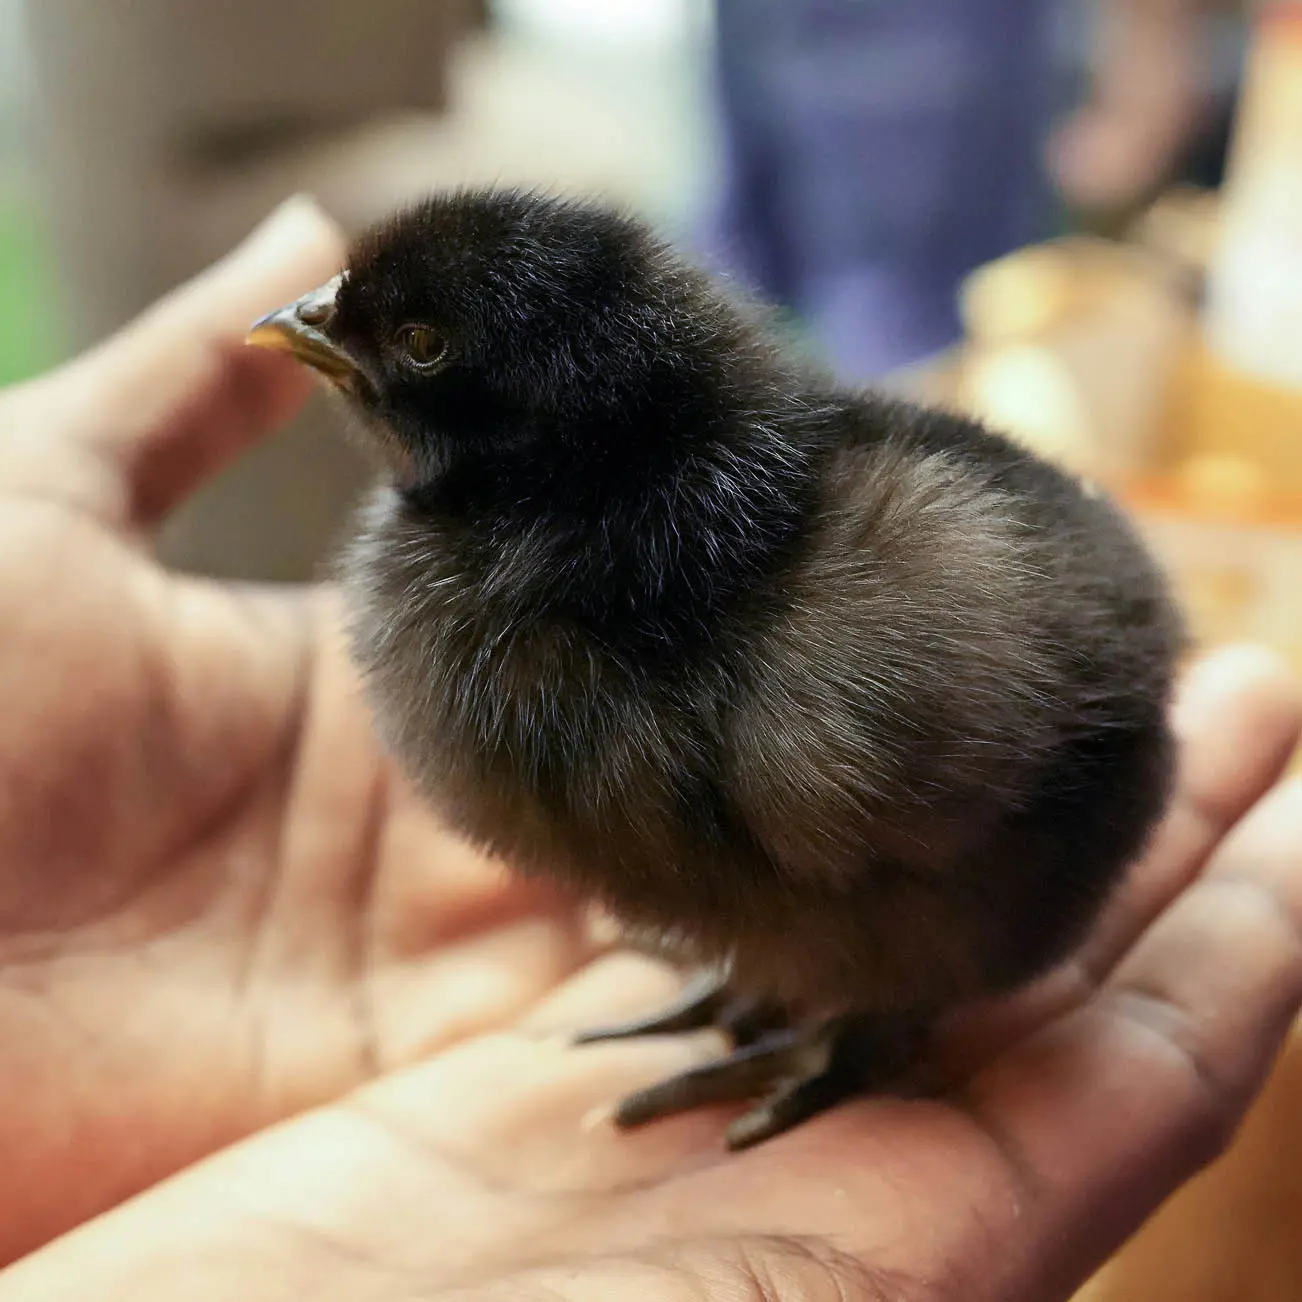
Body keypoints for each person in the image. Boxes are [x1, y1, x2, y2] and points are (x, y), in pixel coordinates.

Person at [0, 197, 1297, 1302]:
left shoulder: (858, 640)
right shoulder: (523, 613)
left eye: (418, 336)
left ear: (536, 415)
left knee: (852, 761)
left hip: (990, 863)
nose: (316, 317)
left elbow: (1069, 718)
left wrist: (889, 1007)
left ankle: (873, 1007)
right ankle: (807, 986)